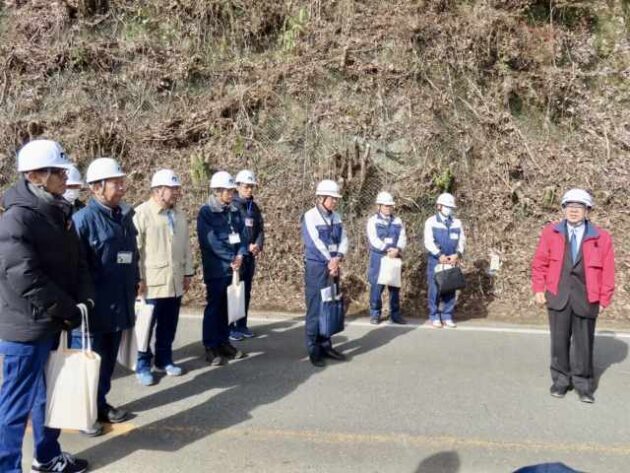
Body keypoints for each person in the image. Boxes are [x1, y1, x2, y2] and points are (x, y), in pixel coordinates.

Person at [0, 139, 90, 472]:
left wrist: (84, 298)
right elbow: (25, 276)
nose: (66, 177)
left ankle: (47, 456)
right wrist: (66, 308)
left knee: (49, 396)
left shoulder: (57, 211)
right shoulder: (17, 218)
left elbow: (77, 261)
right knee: (15, 407)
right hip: (25, 330)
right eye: (59, 172)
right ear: (35, 175)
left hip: (51, 321)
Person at [72, 157, 138, 436]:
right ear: (96, 187)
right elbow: (74, 268)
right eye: (116, 183)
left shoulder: (124, 216)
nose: (122, 188)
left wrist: (136, 281)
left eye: (122, 182)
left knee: (107, 362)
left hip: (119, 303)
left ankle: (99, 404)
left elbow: (132, 254)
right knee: (89, 365)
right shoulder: (83, 220)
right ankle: (83, 414)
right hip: (94, 308)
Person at [531, 188, 615, 403]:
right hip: (558, 295)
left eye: (579, 206)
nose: (574, 210)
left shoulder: (601, 237)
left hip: (588, 297)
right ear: (563, 209)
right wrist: (539, 288)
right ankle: (560, 381)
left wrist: (604, 298)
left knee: (584, 344)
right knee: (558, 342)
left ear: (588, 210)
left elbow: (608, 271)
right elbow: (540, 262)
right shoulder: (551, 233)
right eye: (569, 206)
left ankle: (583, 385)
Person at [133, 169, 194, 386]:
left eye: (177, 188)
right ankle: (142, 364)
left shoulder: (179, 215)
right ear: (158, 190)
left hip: (175, 280)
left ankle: (164, 359)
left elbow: (186, 246)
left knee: (169, 324)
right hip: (151, 282)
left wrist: (188, 272)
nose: (177, 192)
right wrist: (138, 278)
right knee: (146, 326)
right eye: (173, 188)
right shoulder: (141, 213)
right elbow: (135, 249)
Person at [197, 171, 248, 366]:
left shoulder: (234, 210)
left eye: (232, 190)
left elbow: (243, 235)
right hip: (217, 268)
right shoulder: (206, 212)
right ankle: (210, 346)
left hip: (234, 267)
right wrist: (230, 258)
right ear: (217, 191)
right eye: (227, 191)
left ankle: (223, 341)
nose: (231, 194)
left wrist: (241, 254)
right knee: (214, 306)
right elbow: (210, 241)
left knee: (228, 306)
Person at [301, 179, 349, 367]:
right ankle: (314, 350)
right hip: (317, 267)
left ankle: (326, 345)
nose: (335, 201)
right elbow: (314, 242)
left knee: (329, 305)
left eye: (336, 199)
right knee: (315, 308)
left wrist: (338, 258)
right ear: (321, 198)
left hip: (333, 265)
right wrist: (330, 260)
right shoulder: (310, 216)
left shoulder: (337, 217)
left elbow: (344, 239)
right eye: (332, 198)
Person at [229, 169, 265, 341]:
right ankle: (230, 327)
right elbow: (232, 232)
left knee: (246, 292)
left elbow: (260, 228)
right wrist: (244, 246)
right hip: (237, 255)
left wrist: (258, 244)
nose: (249, 189)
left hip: (250, 256)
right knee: (234, 291)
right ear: (237, 186)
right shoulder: (232, 205)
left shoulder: (253, 206)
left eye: (251, 186)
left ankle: (242, 325)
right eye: (246, 186)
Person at [423, 193, 466, 328]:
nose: (449, 209)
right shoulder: (431, 222)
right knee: (435, 289)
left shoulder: (457, 223)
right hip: (436, 260)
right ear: (439, 206)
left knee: (450, 288)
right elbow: (428, 241)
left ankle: (447, 315)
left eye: (451, 207)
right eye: (446, 207)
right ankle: (434, 315)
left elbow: (462, 240)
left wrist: (457, 254)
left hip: (452, 259)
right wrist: (439, 255)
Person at [366, 191, 407, 325]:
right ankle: (375, 313)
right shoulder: (373, 221)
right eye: (386, 205)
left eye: (390, 205)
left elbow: (402, 237)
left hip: (394, 256)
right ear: (379, 206)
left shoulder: (397, 221)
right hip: (379, 256)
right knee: (377, 286)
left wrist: (397, 249)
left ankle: (395, 314)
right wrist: (386, 249)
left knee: (394, 287)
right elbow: (373, 239)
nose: (388, 208)